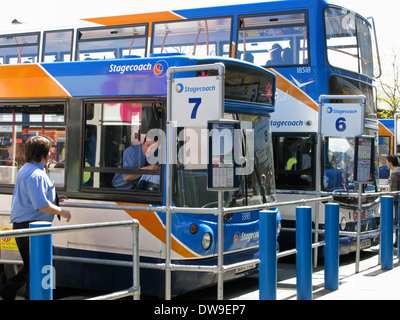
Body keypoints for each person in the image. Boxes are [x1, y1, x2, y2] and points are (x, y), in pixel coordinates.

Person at [0, 136, 71, 300]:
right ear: (44, 154)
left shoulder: (26, 169)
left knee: (33, 267)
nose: (52, 155)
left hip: (27, 228)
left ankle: (6, 291)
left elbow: (35, 198)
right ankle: (19, 294)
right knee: (39, 268)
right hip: (32, 229)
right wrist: (61, 211)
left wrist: (53, 198)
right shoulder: (36, 174)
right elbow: (40, 205)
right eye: (50, 152)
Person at [386, 154, 400, 246]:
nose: (386, 164)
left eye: (387, 162)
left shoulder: (395, 174)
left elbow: (394, 190)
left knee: (397, 221)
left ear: (390, 162)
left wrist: (389, 199)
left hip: (396, 201)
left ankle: (397, 241)